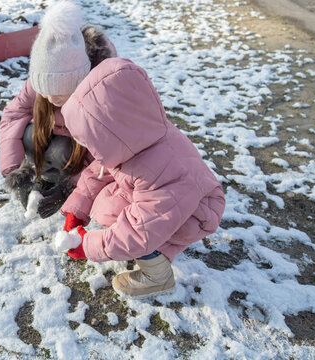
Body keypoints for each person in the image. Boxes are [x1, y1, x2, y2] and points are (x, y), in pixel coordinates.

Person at [57, 55, 226, 299]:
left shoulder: (163, 168)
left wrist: (88, 246)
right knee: (108, 201)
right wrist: (77, 211)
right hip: (175, 198)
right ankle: (153, 248)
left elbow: (140, 230)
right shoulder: (136, 137)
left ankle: (158, 276)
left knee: (119, 217)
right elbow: (99, 172)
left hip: (198, 212)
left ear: (112, 132)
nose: (91, 151)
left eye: (92, 142)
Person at [0, 0, 116, 218]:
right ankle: (46, 182)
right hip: (59, 137)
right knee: (27, 134)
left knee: (60, 150)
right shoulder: (40, 80)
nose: (52, 98)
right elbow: (12, 115)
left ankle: (61, 184)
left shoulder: (102, 94)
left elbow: (106, 159)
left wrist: (69, 188)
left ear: (79, 81)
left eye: (60, 92)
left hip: (81, 152)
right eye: (45, 91)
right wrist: (17, 175)